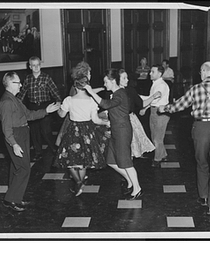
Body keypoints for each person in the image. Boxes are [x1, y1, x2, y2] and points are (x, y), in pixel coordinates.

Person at [161, 61, 210, 215]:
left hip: (200, 128)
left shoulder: (195, 89)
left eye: (201, 72)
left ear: (204, 72)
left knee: (201, 162)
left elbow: (179, 105)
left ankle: (203, 196)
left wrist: (164, 108)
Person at [0, 71, 60, 212]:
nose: (21, 85)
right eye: (18, 82)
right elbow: (6, 128)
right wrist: (14, 144)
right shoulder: (7, 102)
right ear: (9, 84)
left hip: (22, 134)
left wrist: (46, 110)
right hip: (16, 136)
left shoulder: (15, 100)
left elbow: (29, 115)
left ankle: (15, 198)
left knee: (17, 167)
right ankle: (10, 199)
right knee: (24, 168)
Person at [84, 69, 143, 200]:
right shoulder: (115, 93)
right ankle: (130, 181)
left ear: (112, 81)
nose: (104, 85)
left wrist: (91, 92)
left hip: (122, 131)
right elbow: (112, 109)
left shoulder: (120, 93)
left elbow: (105, 104)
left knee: (126, 161)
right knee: (111, 160)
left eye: (106, 82)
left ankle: (137, 188)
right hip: (116, 130)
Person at [54, 75, 110, 196]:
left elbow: (62, 115)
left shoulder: (69, 100)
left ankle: (78, 182)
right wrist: (106, 122)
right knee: (84, 160)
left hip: (73, 131)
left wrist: (58, 108)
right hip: (87, 132)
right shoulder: (91, 101)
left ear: (75, 86)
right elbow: (95, 120)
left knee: (70, 160)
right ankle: (81, 183)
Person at [17, 56, 62, 162]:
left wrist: (58, 101)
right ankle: (38, 152)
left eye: (38, 65)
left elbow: (54, 90)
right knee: (34, 131)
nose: (36, 67)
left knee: (46, 130)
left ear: (40, 65)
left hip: (45, 106)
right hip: (32, 107)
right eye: (33, 65)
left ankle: (54, 150)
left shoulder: (46, 77)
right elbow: (22, 93)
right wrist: (17, 103)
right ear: (30, 67)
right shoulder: (28, 79)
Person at [55, 61, 104, 147]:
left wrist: (101, 88)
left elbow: (88, 92)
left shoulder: (79, 84)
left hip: (76, 118)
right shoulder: (77, 88)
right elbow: (87, 94)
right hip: (74, 118)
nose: (90, 75)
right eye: (89, 73)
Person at [118, 69, 161, 158]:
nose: (127, 80)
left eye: (127, 78)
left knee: (130, 148)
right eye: (124, 78)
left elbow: (141, 104)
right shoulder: (113, 91)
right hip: (117, 121)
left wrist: (153, 97)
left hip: (130, 119)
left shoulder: (130, 90)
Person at [139, 64, 170, 168]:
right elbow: (152, 100)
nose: (150, 73)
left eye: (152, 72)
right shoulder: (155, 83)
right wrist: (145, 108)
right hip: (154, 111)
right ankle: (163, 154)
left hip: (161, 113)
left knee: (157, 138)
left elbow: (156, 97)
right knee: (155, 136)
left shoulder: (161, 85)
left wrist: (139, 98)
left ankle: (157, 159)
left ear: (159, 73)